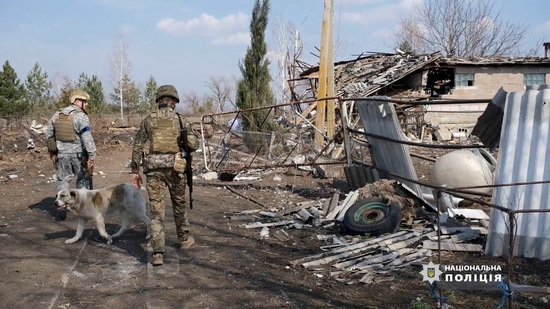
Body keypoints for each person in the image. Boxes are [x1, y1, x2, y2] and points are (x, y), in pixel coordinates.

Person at [130, 84, 199, 266]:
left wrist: (135, 171)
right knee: (179, 205)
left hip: (154, 171)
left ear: (159, 101)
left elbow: (137, 146)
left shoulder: (148, 120)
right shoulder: (181, 120)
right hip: (175, 169)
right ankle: (184, 239)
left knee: (156, 211)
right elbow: (193, 145)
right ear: (174, 102)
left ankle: (157, 253)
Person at [46, 91, 97, 220]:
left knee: (63, 180)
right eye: (84, 102)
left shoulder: (58, 114)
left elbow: (48, 133)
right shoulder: (80, 116)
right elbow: (87, 137)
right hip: (79, 154)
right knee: (84, 179)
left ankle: (61, 208)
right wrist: (92, 155)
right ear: (76, 101)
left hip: (62, 154)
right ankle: (84, 210)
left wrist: (53, 149)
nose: (86, 104)